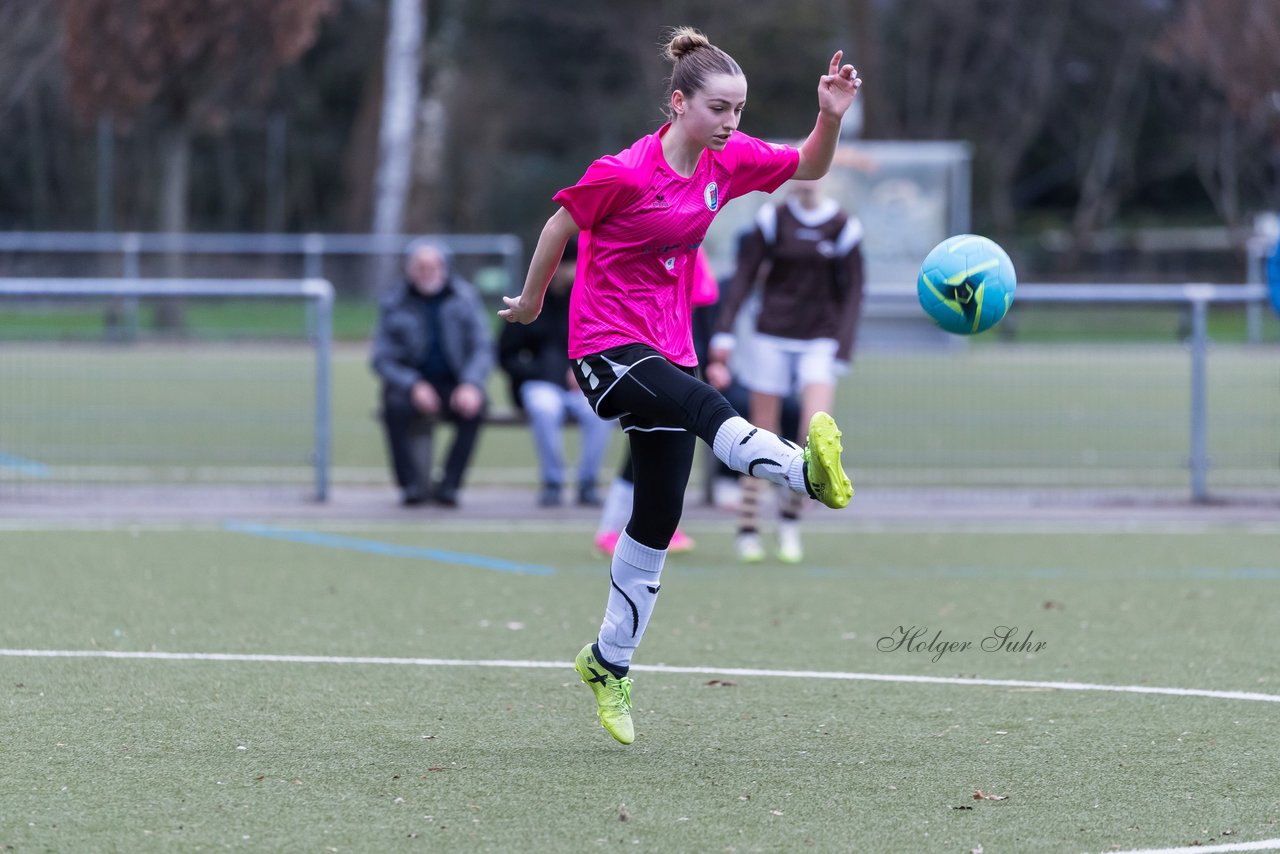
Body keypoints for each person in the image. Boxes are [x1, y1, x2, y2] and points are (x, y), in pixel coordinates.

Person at [499, 27, 861, 745]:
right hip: (605, 349)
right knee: (706, 410)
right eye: (720, 108)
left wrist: (830, 114)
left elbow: (810, 168)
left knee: (658, 517)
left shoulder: (728, 163)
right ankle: (803, 471)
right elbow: (558, 226)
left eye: (740, 108)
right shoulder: (625, 171)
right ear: (678, 103)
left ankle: (608, 661)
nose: (733, 122)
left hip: (669, 349)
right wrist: (536, 301)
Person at [710, 176, 866, 564]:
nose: (810, 181)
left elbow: (854, 291)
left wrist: (843, 348)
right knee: (762, 435)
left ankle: (790, 524)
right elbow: (744, 277)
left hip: (820, 339)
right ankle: (748, 530)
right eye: (804, 172)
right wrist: (725, 333)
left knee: (814, 435)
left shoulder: (844, 226)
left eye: (819, 173)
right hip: (771, 335)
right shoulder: (773, 219)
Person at [371, 242, 492, 508]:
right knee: (394, 406)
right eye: (420, 267)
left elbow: (482, 348)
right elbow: (381, 359)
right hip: (410, 383)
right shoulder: (394, 302)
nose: (427, 272)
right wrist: (413, 384)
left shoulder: (465, 298)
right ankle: (410, 485)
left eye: (433, 266)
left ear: (445, 269)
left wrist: (470, 383)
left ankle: (449, 484)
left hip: (454, 381)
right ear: (409, 270)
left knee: (476, 406)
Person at [498, 239, 614, 507]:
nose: (566, 271)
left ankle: (588, 482)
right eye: (561, 264)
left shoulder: (591, 299)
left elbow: (607, 347)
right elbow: (506, 355)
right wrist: (544, 373)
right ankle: (553, 481)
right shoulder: (526, 300)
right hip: (538, 383)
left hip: (584, 385)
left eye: (572, 264)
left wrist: (584, 373)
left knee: (602, 411)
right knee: (544, 407)